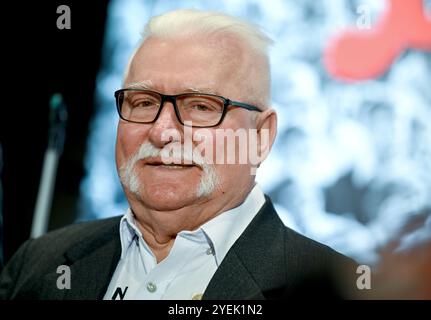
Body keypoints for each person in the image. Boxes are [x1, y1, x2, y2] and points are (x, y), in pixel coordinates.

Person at [0, 9, 356, 300]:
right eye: (143, 103)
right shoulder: (38, 265)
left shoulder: (332, 291)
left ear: (261, 137)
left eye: (201, 106)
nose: (162, 131)